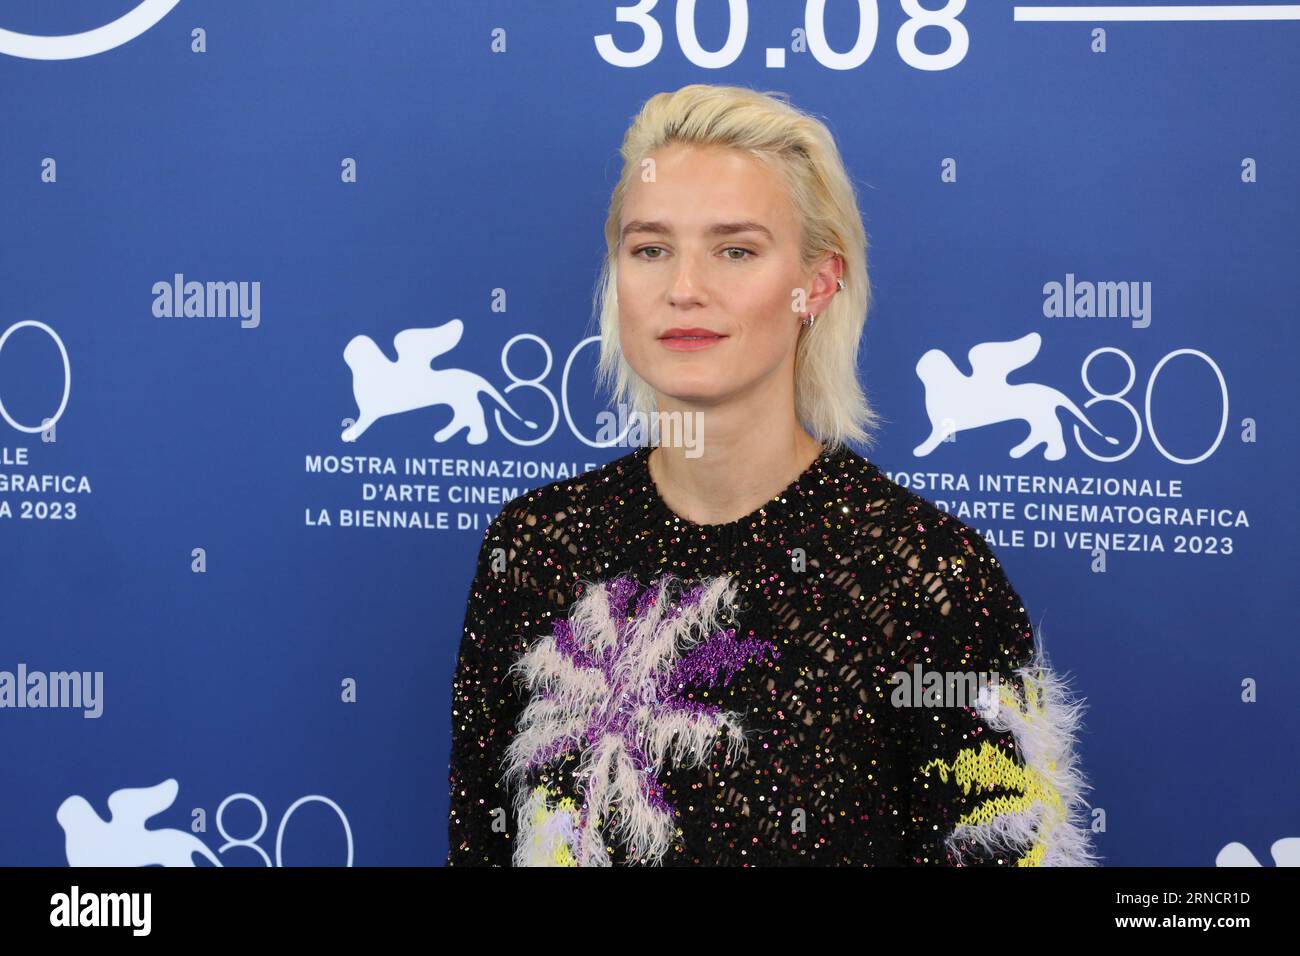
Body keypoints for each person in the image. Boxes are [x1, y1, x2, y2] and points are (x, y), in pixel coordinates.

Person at [446, 83, 1098, 867]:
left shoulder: (926, 576)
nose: (684, 287)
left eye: (736, 250)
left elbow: (1009, 841)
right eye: (650, 248)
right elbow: (480, 842)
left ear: (819, 283)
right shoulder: (535, 545)